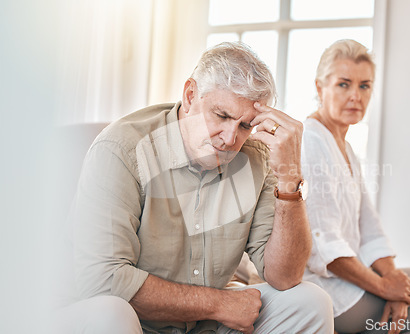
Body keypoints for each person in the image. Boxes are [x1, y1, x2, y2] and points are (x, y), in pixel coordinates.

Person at [54, 42, 334, 334]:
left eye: (245, 125)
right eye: (222, 116)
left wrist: (290, 175)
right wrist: (219, 304)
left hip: (201, 325)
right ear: (190, 96)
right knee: (110, 313)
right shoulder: (122, 149)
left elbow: (285, 277)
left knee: (309, 301)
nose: (229, 138)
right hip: (116, 320)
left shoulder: (256, 157)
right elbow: (104, 279)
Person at [301, 39, 410, 334]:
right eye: (344, 84)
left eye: (364, 86)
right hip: (327, 293)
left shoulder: (347, 149)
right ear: (320, 88)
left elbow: (371, 229)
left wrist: (394, 281)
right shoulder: (311, 143)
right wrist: (384, 286)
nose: (356, 96)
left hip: (354, 285)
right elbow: (324, 246)